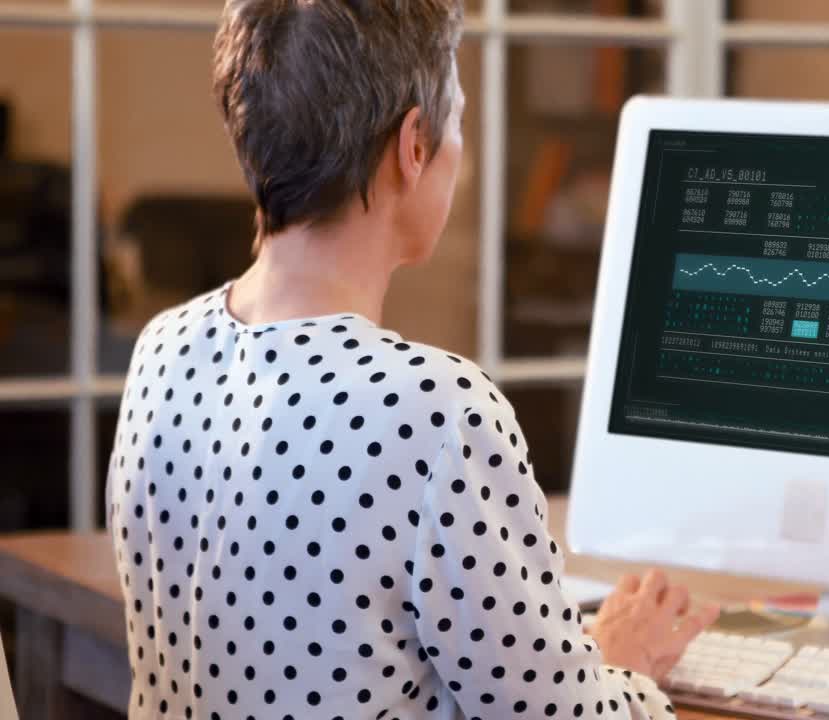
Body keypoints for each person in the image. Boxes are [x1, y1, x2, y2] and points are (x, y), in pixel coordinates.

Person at [104, 0, 720, 717]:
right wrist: (622, 660)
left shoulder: (164, 349)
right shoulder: (432, 410)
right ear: (414, 145)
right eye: (456, 120)